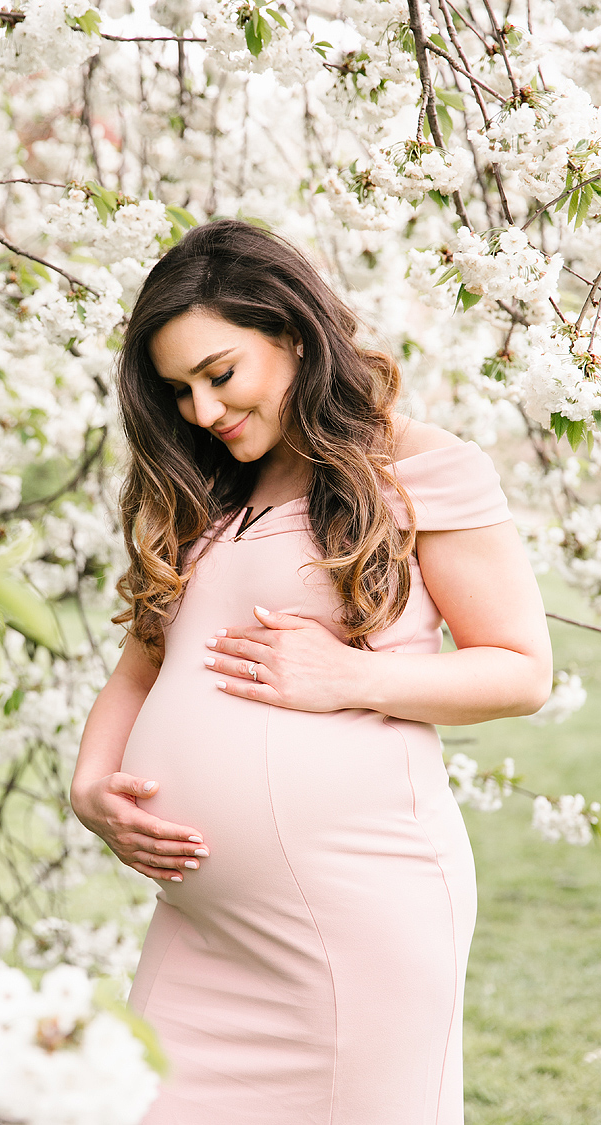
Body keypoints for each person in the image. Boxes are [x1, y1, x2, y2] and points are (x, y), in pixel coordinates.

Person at [70, 219, 553, 1125]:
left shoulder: (417, 469)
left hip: (358, 920)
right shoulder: (207, 491)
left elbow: (522, 670)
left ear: (292, 332)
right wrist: (91, 784)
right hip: (203, 932)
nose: (203, 412)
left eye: (221, 374)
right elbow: (140, 669)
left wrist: (349, 679)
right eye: (179, 391)